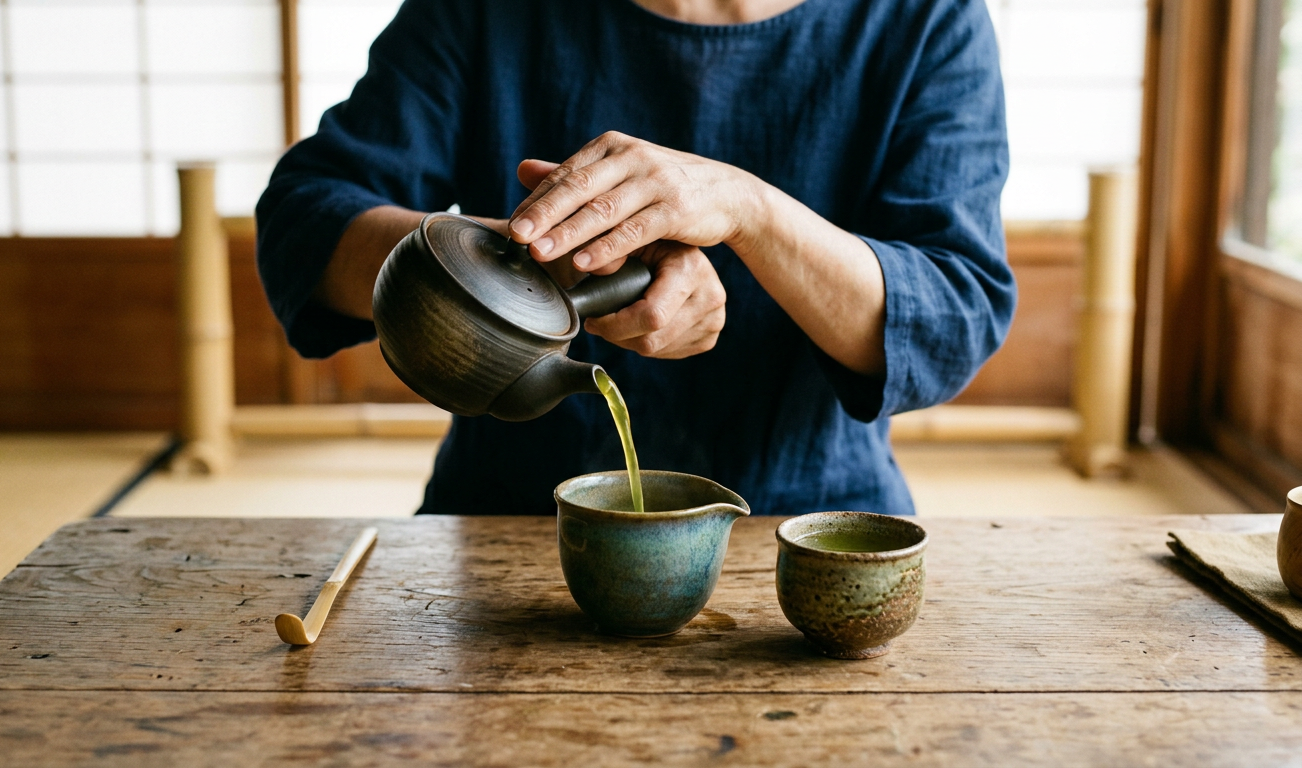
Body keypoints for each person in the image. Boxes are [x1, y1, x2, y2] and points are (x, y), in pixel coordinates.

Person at [256, 0, 1016, 516]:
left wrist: (749, 210)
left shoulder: (925, 18)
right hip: (512, 525)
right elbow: (304, 221)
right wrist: (499, 269)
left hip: (807, 534)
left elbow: (954, 311)